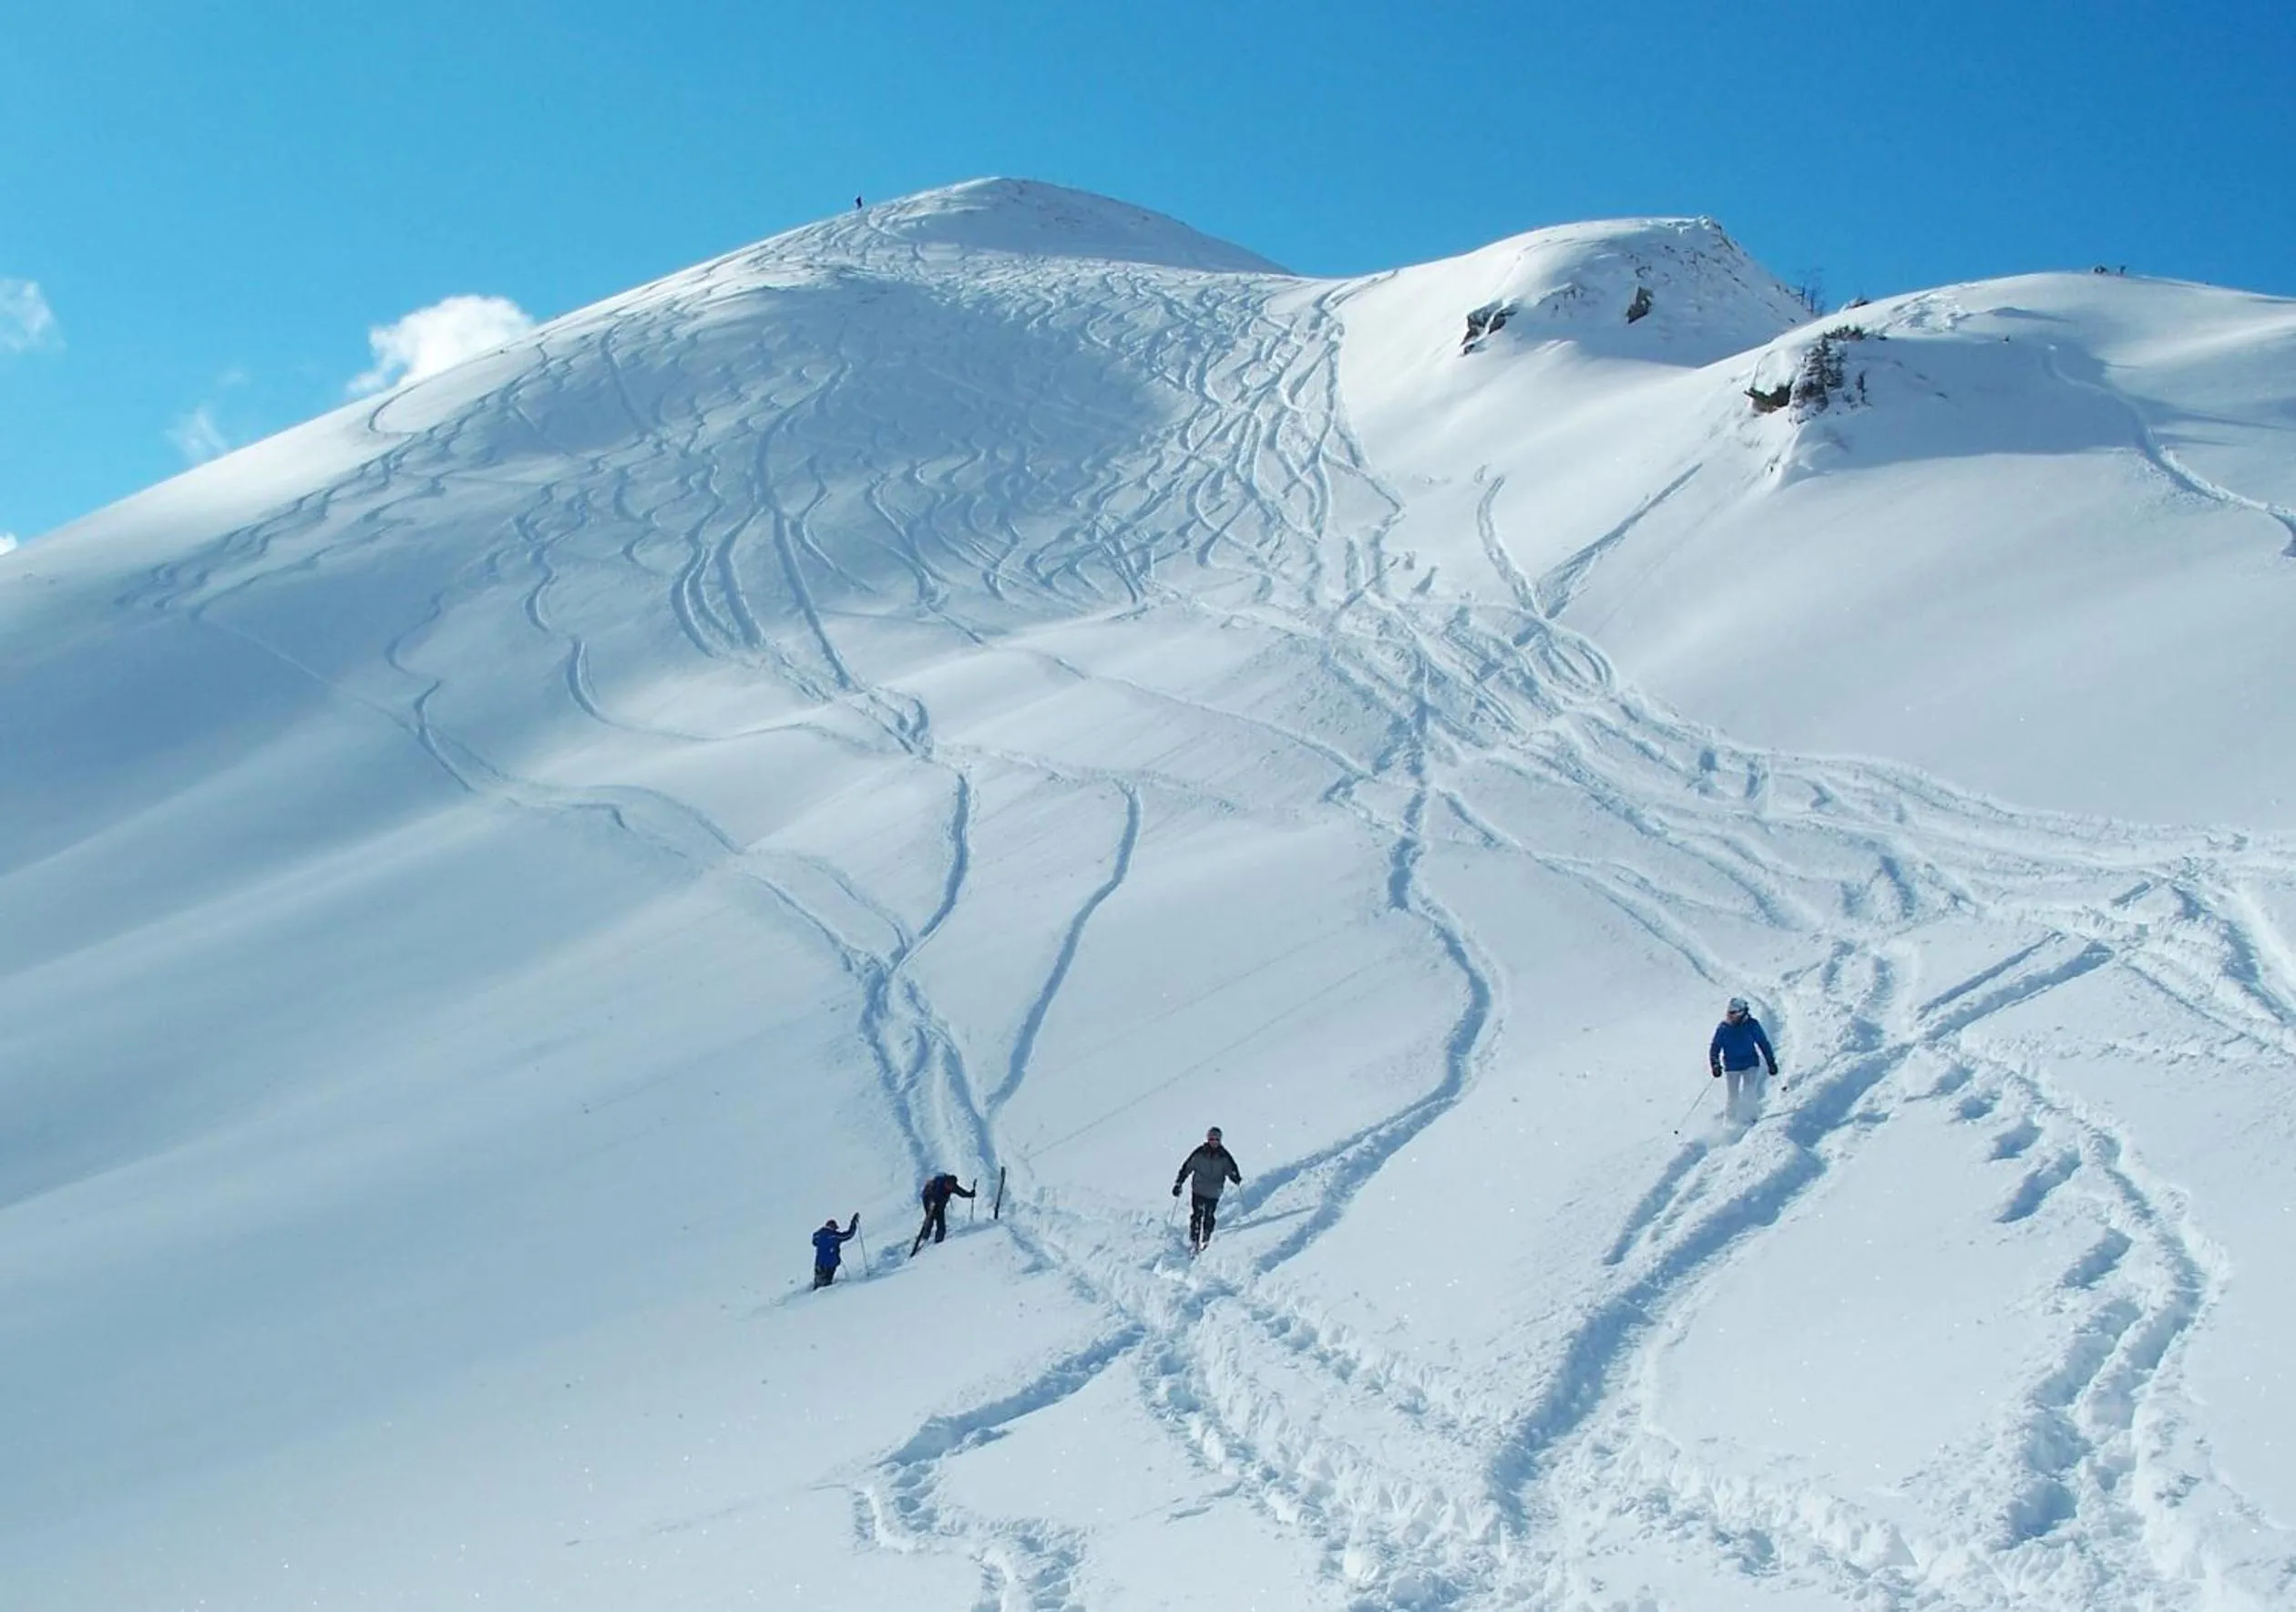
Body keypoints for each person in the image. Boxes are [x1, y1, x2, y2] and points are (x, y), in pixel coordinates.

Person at [1171, 1126, 1242, 1253]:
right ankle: (1194, 1240)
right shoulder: (1200, 1153)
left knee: (1209, 1215)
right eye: (1211, 1139)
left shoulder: (1224, 1156)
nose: (1214, 1141)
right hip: (1199, 1189)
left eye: (1216, 1139)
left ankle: (1206, 1239)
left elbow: (1231, 1169)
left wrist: (1235, 1177)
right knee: (1197, 1215)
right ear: (1208, 1139)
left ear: (1220, 1140)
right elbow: (1187, 1167)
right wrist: (1179, 1183)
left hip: (1214, 1191)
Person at [1709, 996, 1779, 1122]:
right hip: (1732, 1066)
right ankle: (1730, 1120)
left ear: (1741, 1012)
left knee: (1749, 1090)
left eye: (1733, 1013)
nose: (1730, 1016)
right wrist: (1715, 1064)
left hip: (1750, 1064)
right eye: (1729, 1013)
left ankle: (1751, 1117)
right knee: (1733, 1095)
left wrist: (1771, 1062)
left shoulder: (1752, 1025)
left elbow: (1763, 1043)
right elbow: (1715, 1047)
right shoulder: (1723, 1028)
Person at [911, 1172, 975, 1256]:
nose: (950, 1187)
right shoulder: (938, 1185)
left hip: (940, 1204)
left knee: (941, 1222)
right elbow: (929, 1195)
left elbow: (961, 1192)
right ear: (946, 1182)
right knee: (930, 1218)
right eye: (948, 1185)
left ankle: (939, 1242)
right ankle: (924, 1236)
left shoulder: (952, 1186)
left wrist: (970, 1194)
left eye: (952, 1186)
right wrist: (931, 1206)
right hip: (928, 1199)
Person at [812, 1213, 859, 1289]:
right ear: (832, 1227)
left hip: (819, 1263)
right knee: (825, 1286)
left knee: (818, 1283)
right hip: (830, 1264)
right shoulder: (834, 1236)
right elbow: (848, 1235)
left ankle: (812, 1295)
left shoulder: (818, 1236)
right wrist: (853, 1223)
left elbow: (814, 1242)